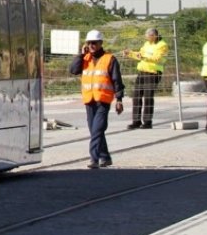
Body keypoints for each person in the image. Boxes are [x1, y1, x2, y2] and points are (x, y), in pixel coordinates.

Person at [69, 29, 124, 169]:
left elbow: (117, 80)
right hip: (89, 100)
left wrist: (119, 99)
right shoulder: (85, 58)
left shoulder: (109, 59)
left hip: (103, 101)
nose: (91, 45)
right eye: (89, 43)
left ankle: (94, 159)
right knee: (95, 130)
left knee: (97, 130)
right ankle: (105, 157)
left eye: (94, 43)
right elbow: (74, 70)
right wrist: (80, 55)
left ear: (100, 43)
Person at [124, 27, 169, 129]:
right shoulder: (146, 44)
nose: (146, 38)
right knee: (136, 96)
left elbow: (158, 58)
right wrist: (130, 53)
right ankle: (136, 121)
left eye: (148, 36)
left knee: (148, 97)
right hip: (142, 71)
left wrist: (144, 57)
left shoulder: (162, 45)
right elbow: (140, 55)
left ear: (154, 36)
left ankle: (147, 122)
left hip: (153, 72)